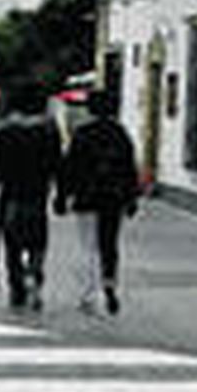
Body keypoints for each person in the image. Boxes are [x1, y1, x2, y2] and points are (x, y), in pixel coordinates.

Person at [56, 89, 139, 315]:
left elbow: (69, 168)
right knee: (109, 245)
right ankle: (110, 285)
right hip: (113, 198)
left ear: (90, 109)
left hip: (86, 197)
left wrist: (62, 196)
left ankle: (89, 295)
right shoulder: (120, 134)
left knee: (88, 247)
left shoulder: (82, 134)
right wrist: (132, 198)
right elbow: (130, 169)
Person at [0, 81, 61, 310]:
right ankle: (35, 274)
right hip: (38, 195)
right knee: (38, 241)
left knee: (12, 245)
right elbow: (58, 165)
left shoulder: (6, 130)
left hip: (11, 196)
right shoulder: (49, 130)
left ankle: (17, 289)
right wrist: (62, 194)